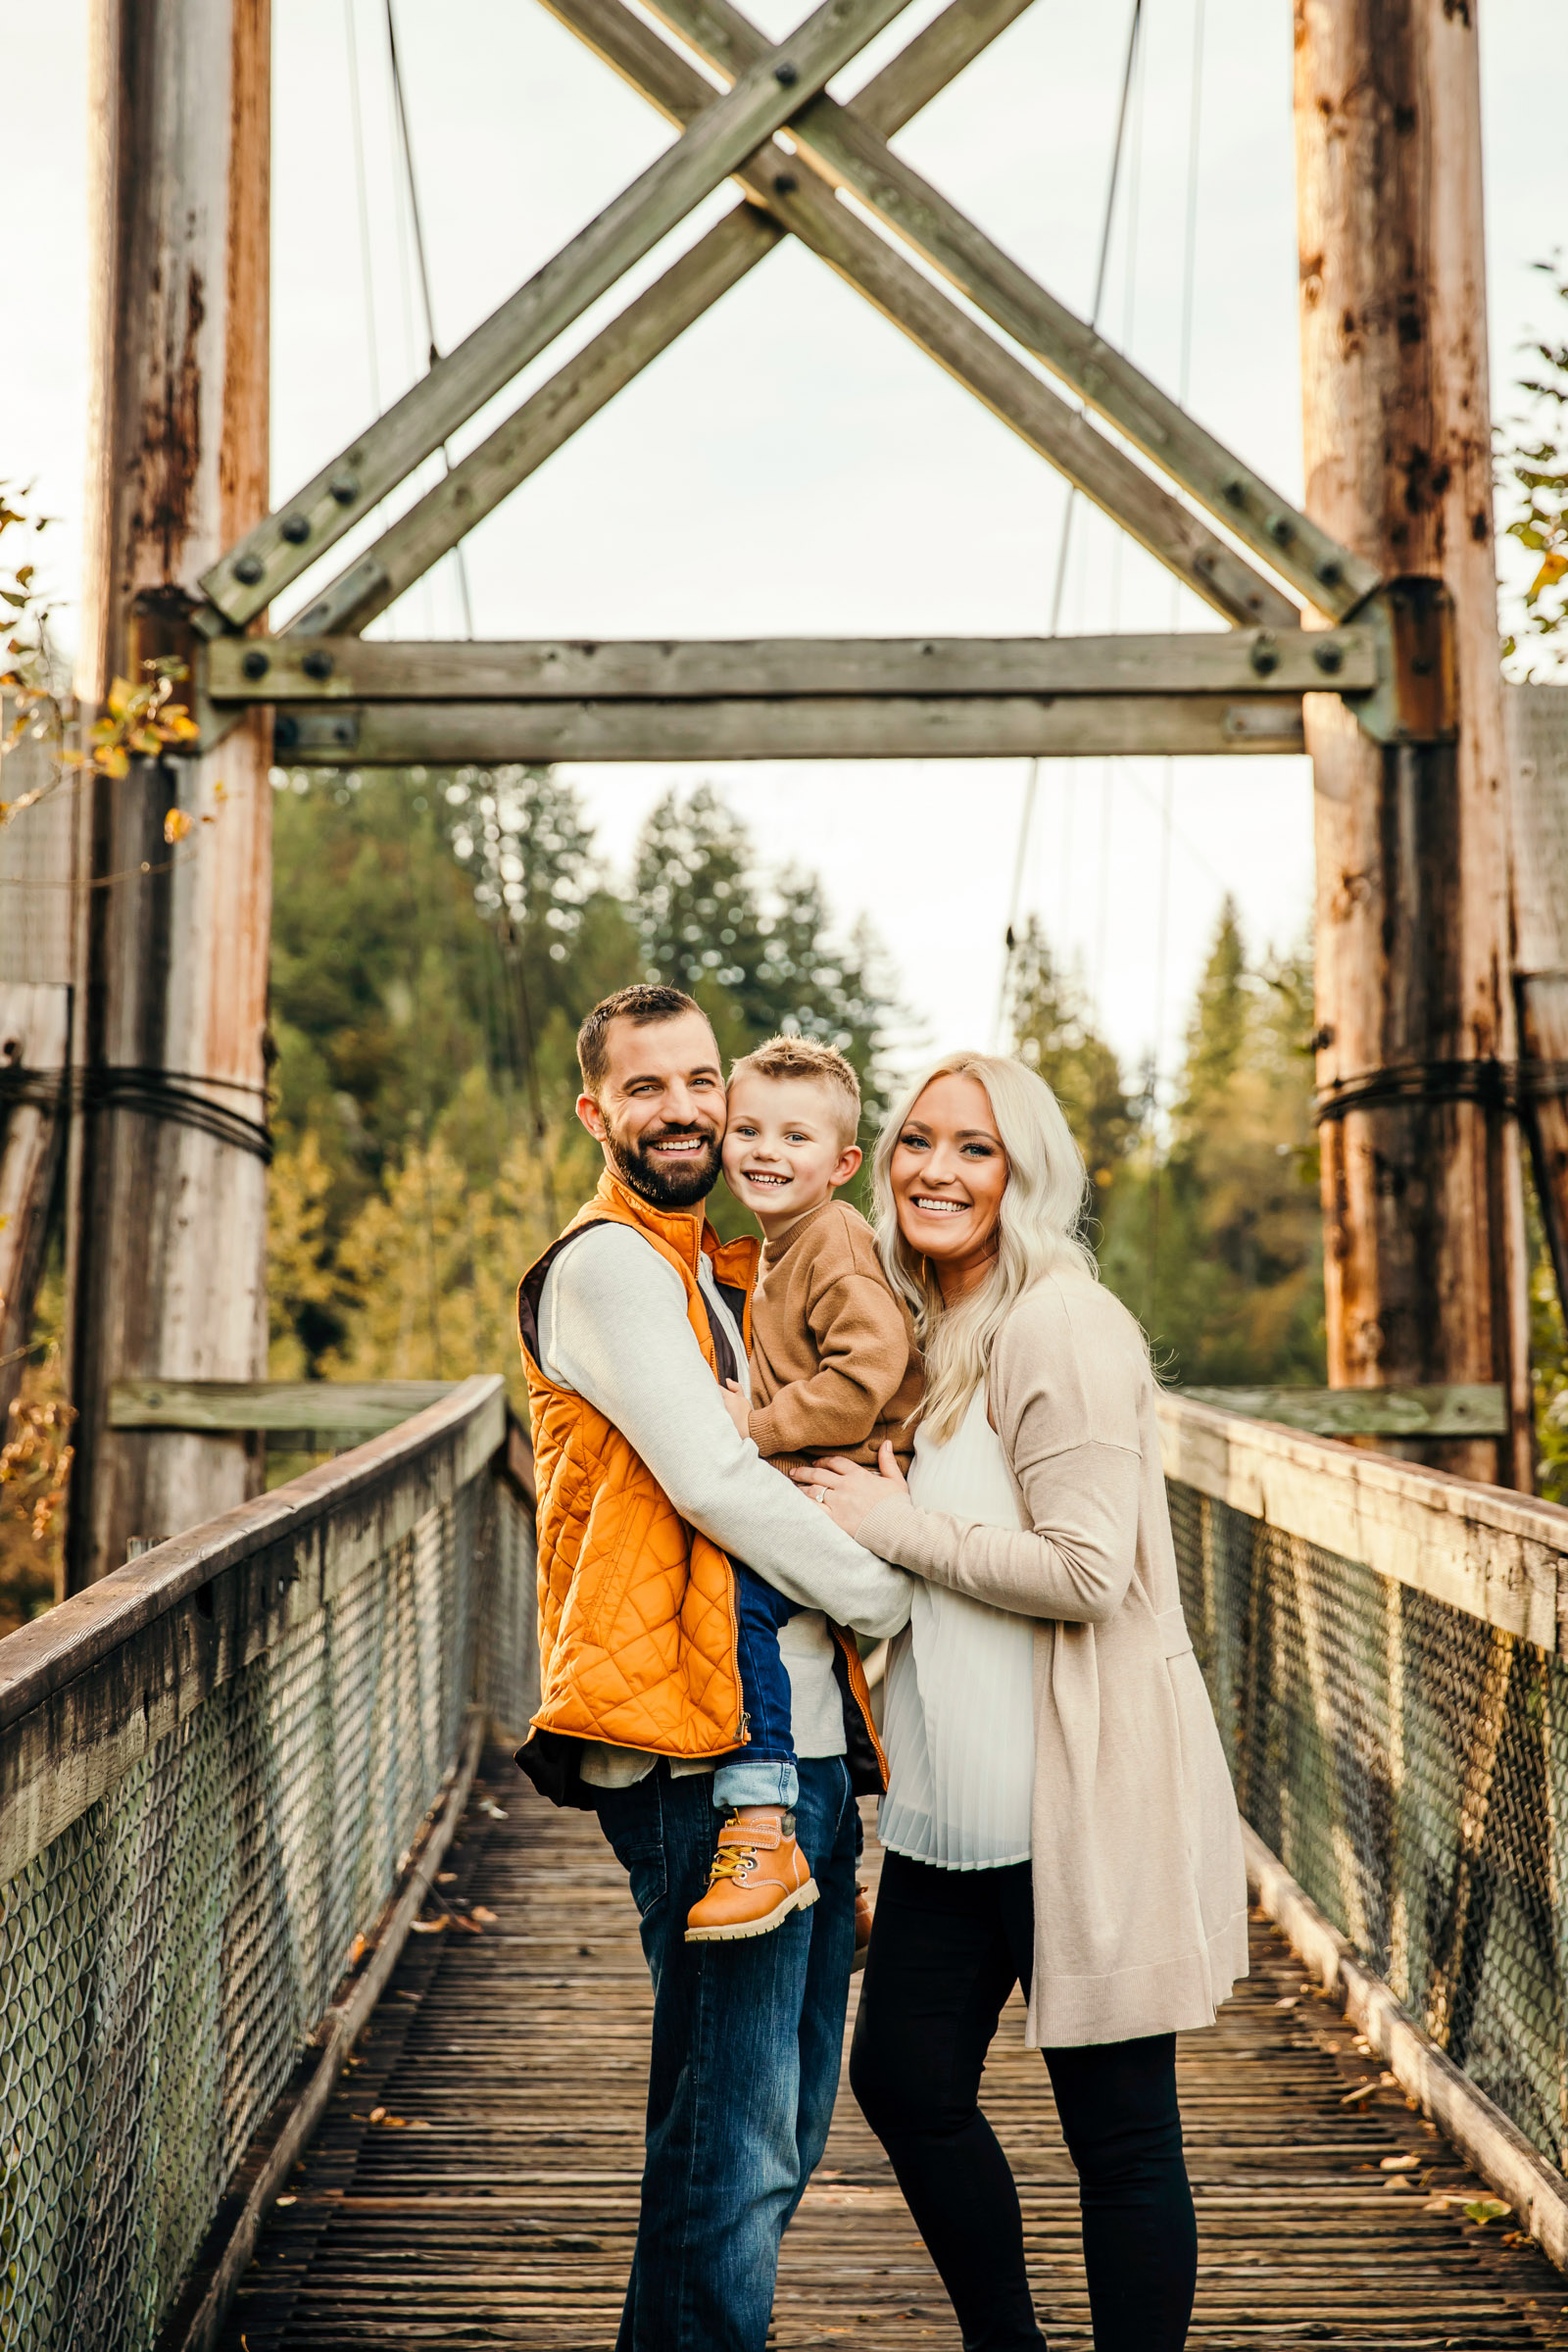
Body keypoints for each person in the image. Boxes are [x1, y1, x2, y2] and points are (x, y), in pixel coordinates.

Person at [797, 1052, 1249, 2352]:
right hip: (952, 1808)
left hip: (1070, 1804)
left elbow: (1088, 1572)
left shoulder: (1062, 1323)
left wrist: (897, 1521)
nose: (936, 1170)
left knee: (1118, 2129)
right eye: (917, 1142)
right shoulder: (925, 1328)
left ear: (1025, 1173)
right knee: (903, 2080)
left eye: (974, 1149)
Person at [513, 983, 911, 2352]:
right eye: (646, 1088)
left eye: (701, 1084)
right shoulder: (612, 1266)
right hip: (699, 1754)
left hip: (793, 1743)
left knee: (781, 2131)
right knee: (728, 2147)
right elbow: (715, 1481)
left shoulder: (714, 1271)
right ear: (594, 1113)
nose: (682, 1110)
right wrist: (896, 1596)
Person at [686, 1034, 923, 1944]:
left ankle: (763, 1816)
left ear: (843, 1163)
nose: (764, 1152)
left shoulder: (834, 1240)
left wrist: (755, 1428)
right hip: (824, 1468)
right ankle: (844, 1871)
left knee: (742, 1602)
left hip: (853, 1475)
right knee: (820, 1660)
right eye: (747, 1130)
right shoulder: (777, 1248)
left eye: (794, 1138)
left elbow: (867, 1370)